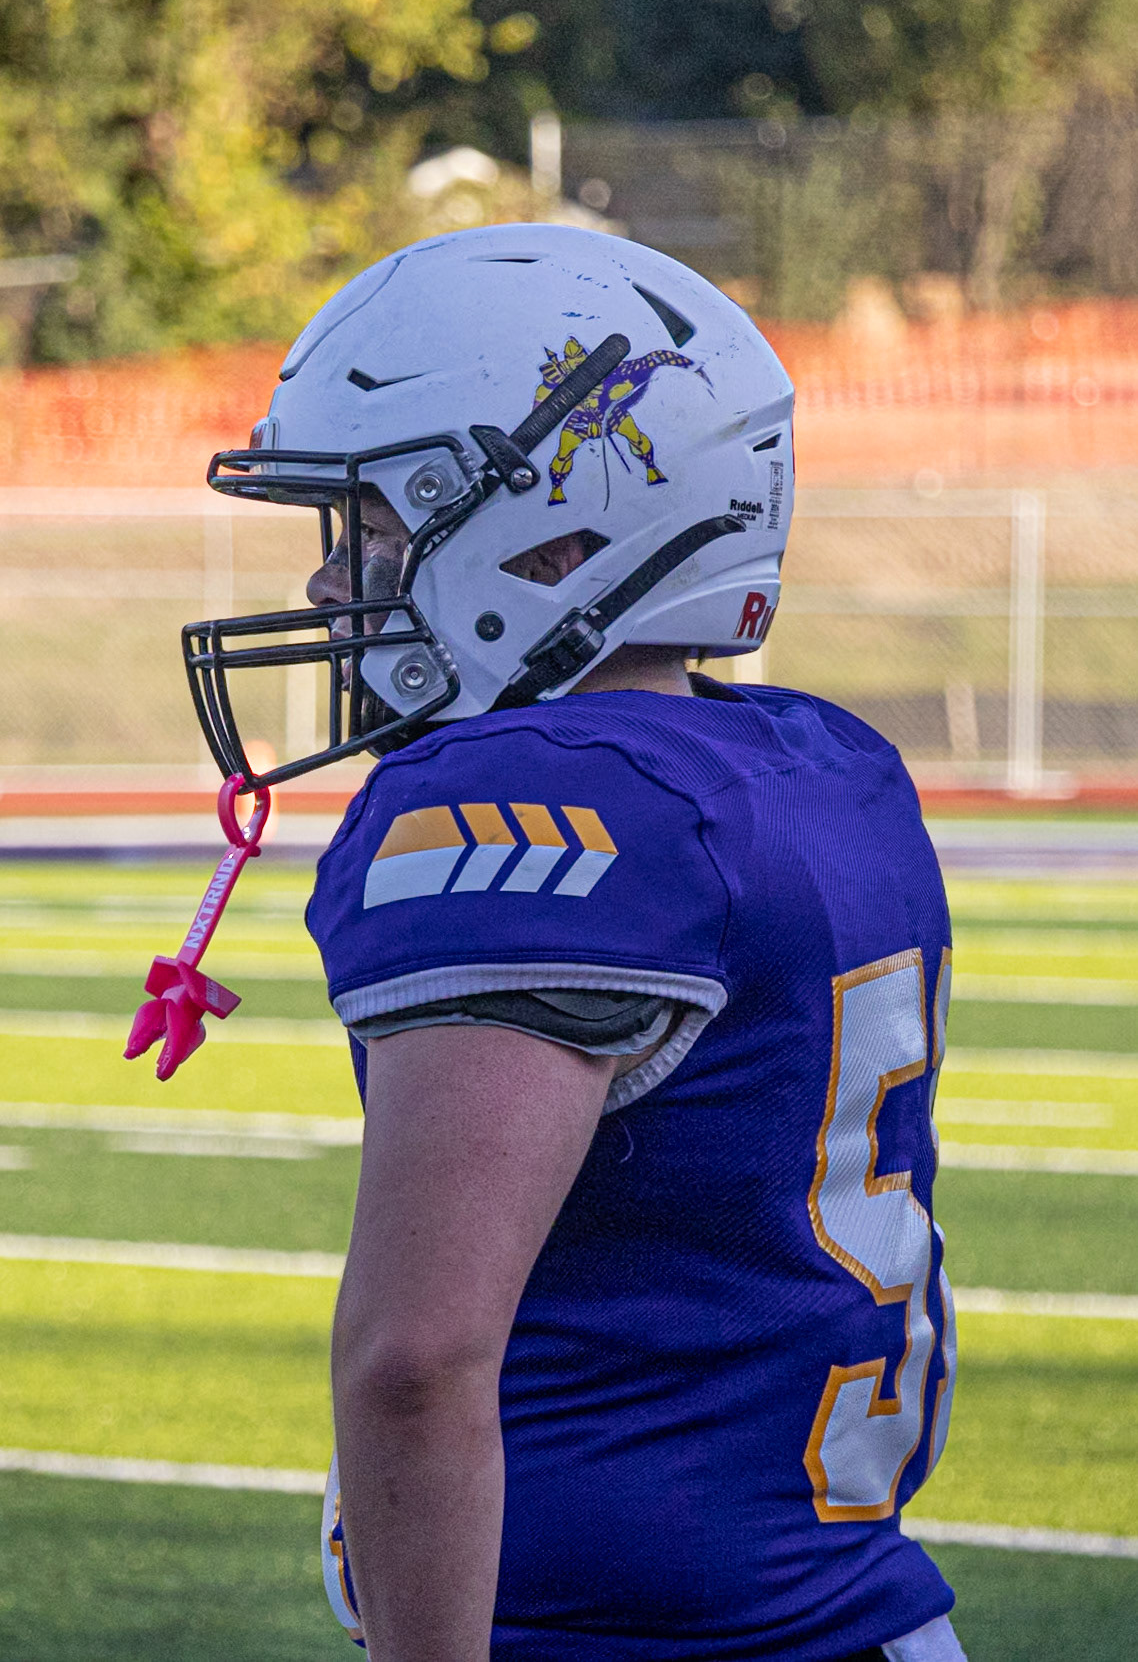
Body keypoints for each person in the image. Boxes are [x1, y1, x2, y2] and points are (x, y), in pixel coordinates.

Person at [189, 224, 964, 1660]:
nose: (328, 586)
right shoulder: (817, 763)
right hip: (852, 1614)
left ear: (553, 537)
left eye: (371, 528)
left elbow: (419, 1361)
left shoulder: (533, 807)